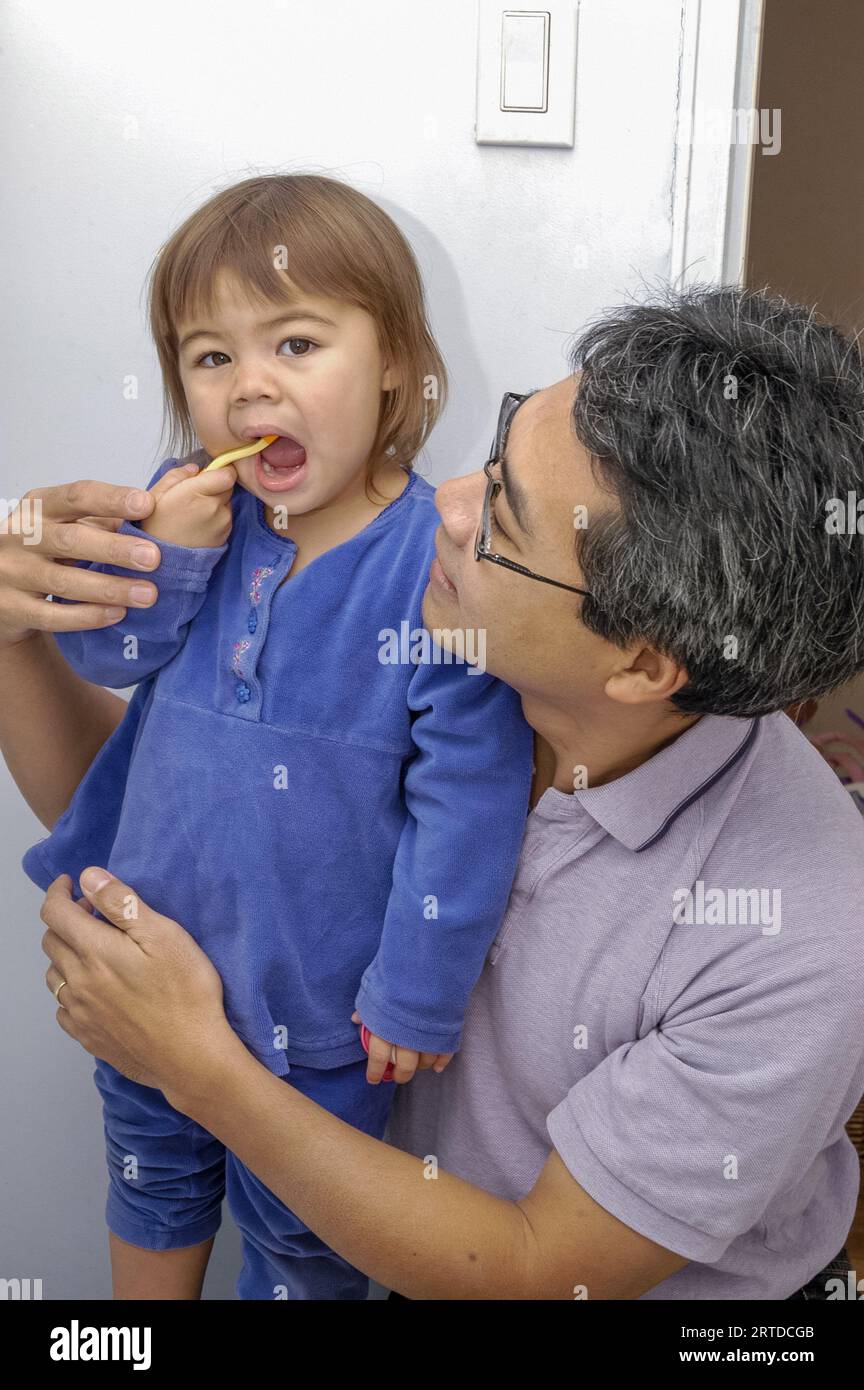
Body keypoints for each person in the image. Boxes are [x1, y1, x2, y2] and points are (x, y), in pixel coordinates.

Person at [6, 285, 864, 1298]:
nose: (446, 500)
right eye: (499, 447)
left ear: (640, 662)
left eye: (502, 519)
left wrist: (196, 1065)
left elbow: (534, 1267)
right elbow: (161, 809)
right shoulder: (444, 634)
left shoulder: (801, 939)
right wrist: (14, 633)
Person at [14, 173, 535, 1301]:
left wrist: (416, 991)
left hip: (322, 1016)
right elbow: (105, 659)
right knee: (151, 1189)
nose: (250, 387)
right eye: (211, 358)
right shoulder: (184, 520)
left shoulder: (434, 565)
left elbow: (472, 798)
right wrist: (176, 556)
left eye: (297, 343)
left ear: (395, 359)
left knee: (305, 1242)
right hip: (137, 965)